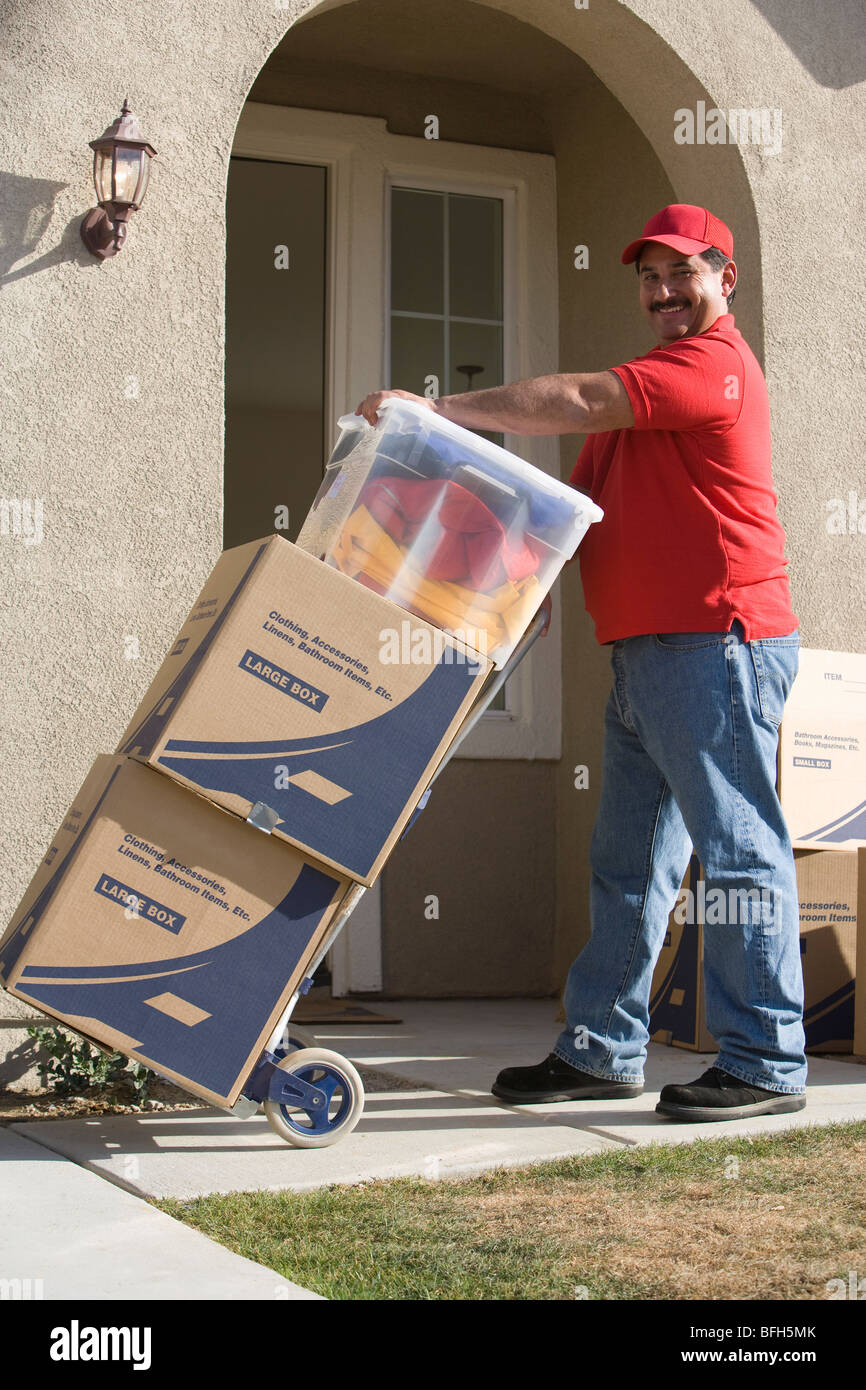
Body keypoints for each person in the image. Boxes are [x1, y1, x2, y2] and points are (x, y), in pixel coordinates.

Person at [355, 203, 807, 1121]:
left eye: (682, 272)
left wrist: (434, 411)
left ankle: (766, 1061)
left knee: (738, 850)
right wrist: (526, 594)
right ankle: (603, 1049)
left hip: (717, 640)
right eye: (649, 277)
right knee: (627, 859)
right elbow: (574, 515)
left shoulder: (708, 368)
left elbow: (577, 402)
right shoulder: (648, 395)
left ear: (726, 279)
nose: (664, 291)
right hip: (647, 653)